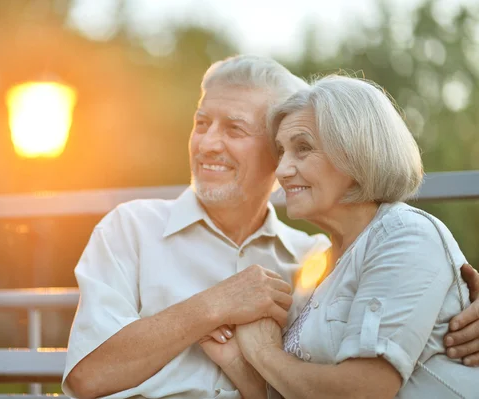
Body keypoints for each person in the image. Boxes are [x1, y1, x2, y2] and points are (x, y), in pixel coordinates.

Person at [62, 55, 479, 399]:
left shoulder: (314, 259)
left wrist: (456, 306)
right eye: (202, 123)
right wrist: (213, 305)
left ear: (271, 149)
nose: (207, 143)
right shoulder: (131, 228)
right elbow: (87, 379)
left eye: (235, 129)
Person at [232, 75, 477, 398]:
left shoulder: (406, 235)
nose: (281, 170)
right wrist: (235, 360)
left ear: (355, 150)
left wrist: (264, 353)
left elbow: (363, 392)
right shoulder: (318, 267)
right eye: (281, 151)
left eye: (302, 148)